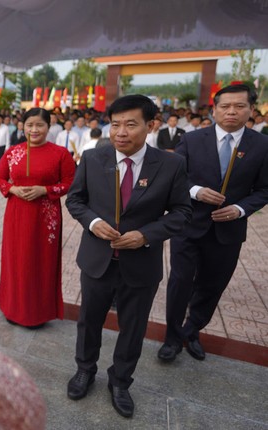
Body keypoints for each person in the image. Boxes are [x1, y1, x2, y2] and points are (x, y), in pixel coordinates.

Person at [65, 95, 192, 418]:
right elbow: (76, 201)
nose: (120, 132)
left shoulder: (171, 164)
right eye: (115, 124)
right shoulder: (94, 158)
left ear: (151, 126)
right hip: (97, 259)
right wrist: (93, 223)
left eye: (131, 124)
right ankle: (85, 369)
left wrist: (147, 235)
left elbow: (181, 212)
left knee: (133, 326)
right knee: (89, 320)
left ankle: (120, 381)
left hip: (141, 262)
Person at [159, 84, 268, 363]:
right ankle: (172, 338)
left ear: (251, 110)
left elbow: (264, 190)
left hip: (228, 231)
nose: (231, 111)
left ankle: (192, 330)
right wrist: (195, 191)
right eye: (225, 106)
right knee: (180, 282)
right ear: (215, 109)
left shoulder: (262, 145)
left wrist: (241, 209)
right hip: (189, 225)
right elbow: (177, 176)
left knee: (212, 284)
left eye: (239, 106)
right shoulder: (193, 140)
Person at [0, 108, 76, 328]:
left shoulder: (60, 153)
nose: (34, 129)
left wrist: (45, 189)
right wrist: (13, 189)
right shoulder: (12, 152)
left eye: (39, 125)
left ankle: (38, 313)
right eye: (29, 125)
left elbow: (70, 181)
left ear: (49, 127)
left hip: (45, 217)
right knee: (16, 261)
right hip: (17, 214)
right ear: (23, 126)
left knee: (40, 262)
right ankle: (13, 309)